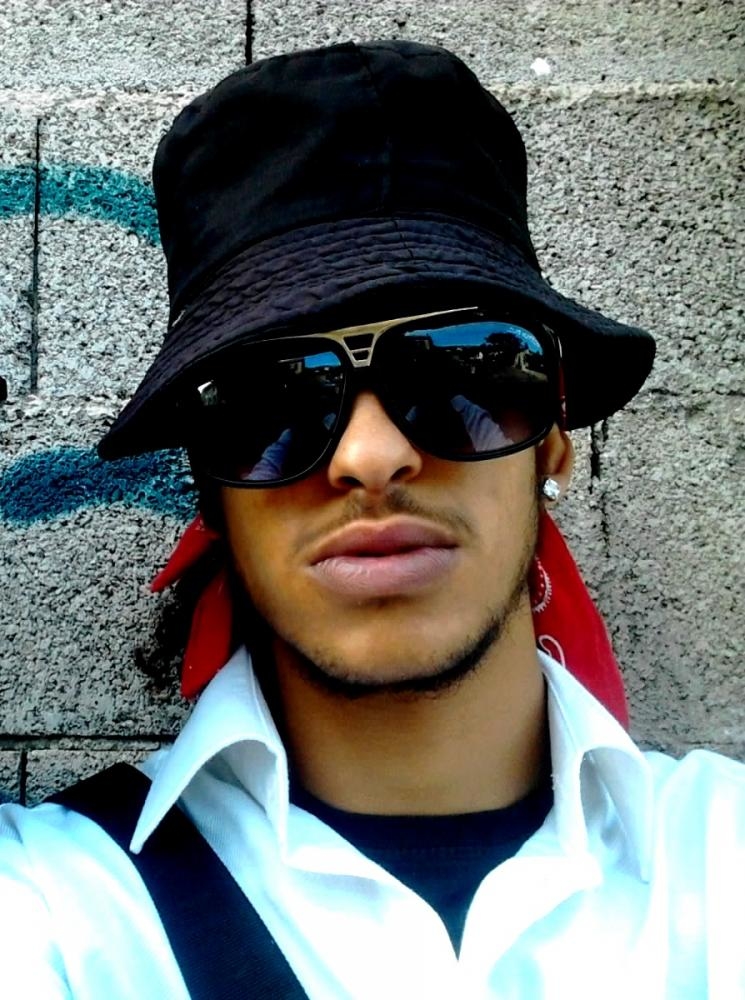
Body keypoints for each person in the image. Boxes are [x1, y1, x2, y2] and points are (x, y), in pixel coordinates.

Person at [1, 39, 743, 999]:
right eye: (269, 399)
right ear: (209, 489)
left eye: (463, 369)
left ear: (553, 442)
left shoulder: (721, 861)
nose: (370, 455)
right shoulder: (58, 913)